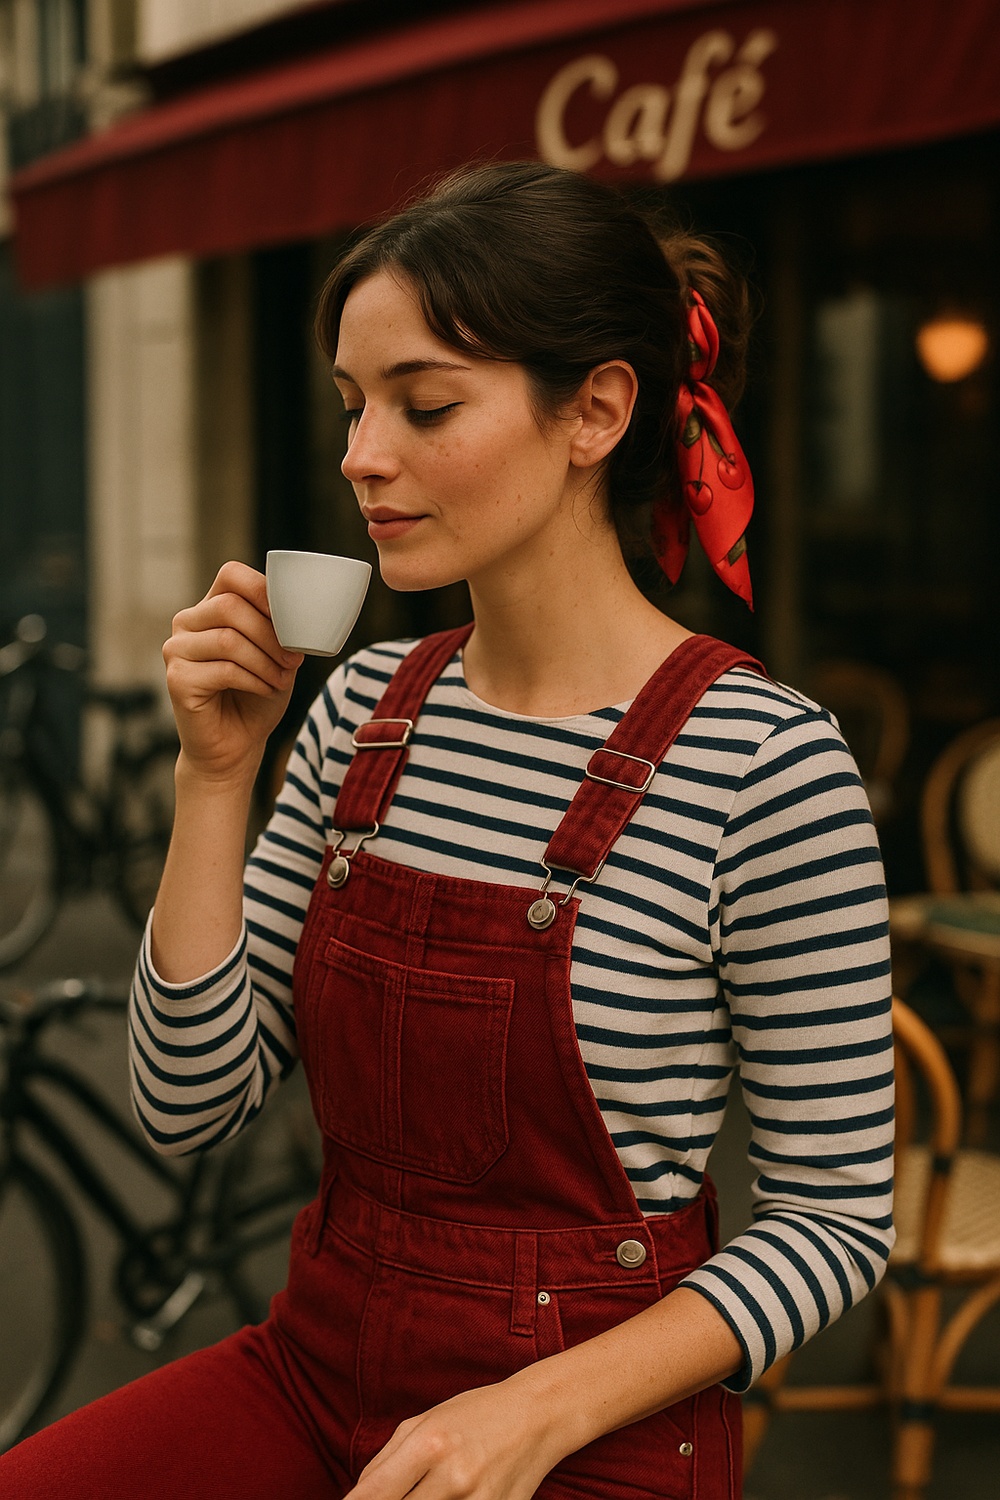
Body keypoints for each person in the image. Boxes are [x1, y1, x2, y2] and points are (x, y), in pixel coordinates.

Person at [2, 161, 894, 1499]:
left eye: (425, 406)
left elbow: (834, 1222)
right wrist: (213, 781)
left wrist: (528, 1415)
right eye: (354, 407)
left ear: (594, 410)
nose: (363, 456)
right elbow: (188, 1105)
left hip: (594, 1428)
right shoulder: (364, 705)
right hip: (319, 1368)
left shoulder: (768, 763)